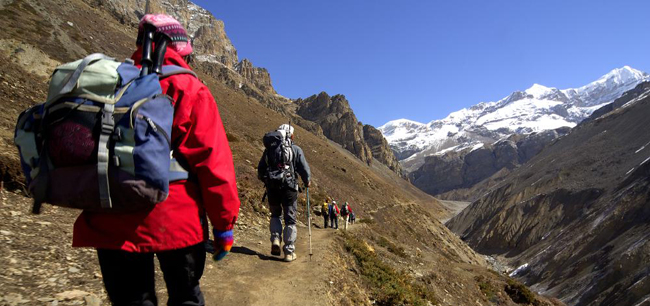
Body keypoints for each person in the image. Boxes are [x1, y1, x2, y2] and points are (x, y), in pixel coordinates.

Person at [72, 14, 241, 306]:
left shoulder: (109, 82)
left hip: (110, 215)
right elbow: (214, 164)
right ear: (181, 49)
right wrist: (224, 225)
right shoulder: (190, 88)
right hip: (176, 219)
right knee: (186, 297)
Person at [258, 124, 311, 262]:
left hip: (272, 187)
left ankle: (275, 239)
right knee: (290, 219)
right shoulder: (295, 149)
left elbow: (261, 170)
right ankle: (289, 251)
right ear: (291, 135)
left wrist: (267, 180)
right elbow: (304, 169)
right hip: (289, 188)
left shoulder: (269, 150)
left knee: (275, 214)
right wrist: (307, 181)